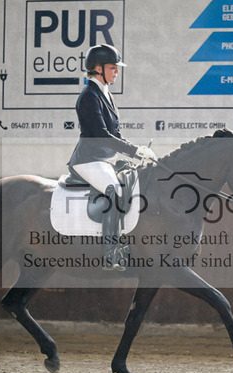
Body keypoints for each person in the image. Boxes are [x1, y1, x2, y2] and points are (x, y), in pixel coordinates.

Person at [67, 44, 156, 271]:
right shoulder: (88, 96)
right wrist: (134, 151)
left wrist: (135, 153)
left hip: (105, 159)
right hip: (88, 160)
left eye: (117, 68)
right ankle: (110, 253)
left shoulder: (105, 93)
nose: (117, 71)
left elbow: (115, 134)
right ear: (98, 68)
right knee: (113, 190)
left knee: (132, 180)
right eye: (112, 68)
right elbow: (101, 135)